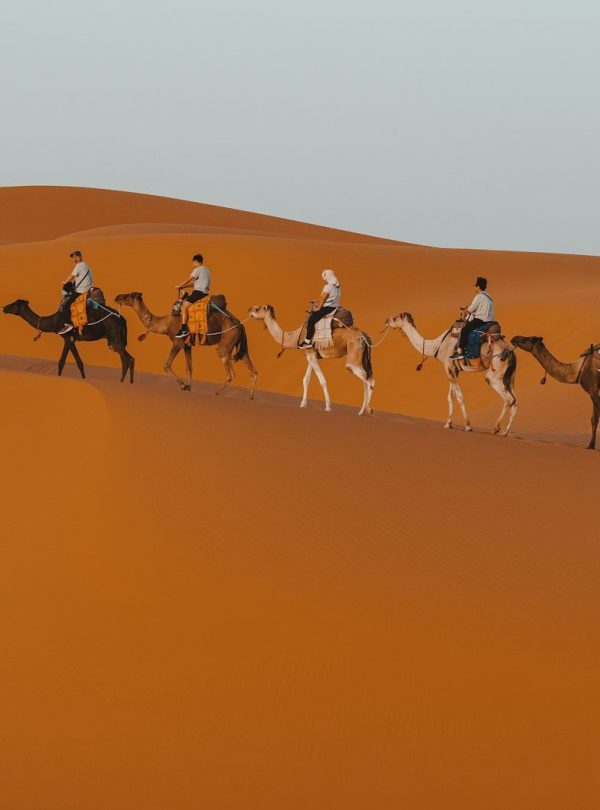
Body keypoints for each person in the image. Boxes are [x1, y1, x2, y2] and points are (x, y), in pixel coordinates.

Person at [450, 276, 495, 360]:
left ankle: (460, 352)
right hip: (490, 320)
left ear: (478, 287)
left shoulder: (479, 296)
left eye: (475, 285)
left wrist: (464, 311)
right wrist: (468, 309)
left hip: (482, 320)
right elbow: (479, 308)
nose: (474, 287)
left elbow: (470, 309)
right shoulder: (488, 296)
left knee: (464, 330)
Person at [298, 269, 341, 349]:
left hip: (328, 307)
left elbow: (323, 299)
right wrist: (317, 300)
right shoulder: (336, 286)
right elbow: (330, 297)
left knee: (311, 320)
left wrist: (318, 308)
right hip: (334, 306)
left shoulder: (328, 287)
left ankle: (307, 342)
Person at [174, 254, 212, 338]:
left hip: (198, 293)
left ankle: (184, 329)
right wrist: (183, 287)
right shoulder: (207, 271)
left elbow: (188, 280)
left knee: (183, 307)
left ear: (196, 261)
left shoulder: (197, 269)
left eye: (193, 262)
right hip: (205, 293)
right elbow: (195, 283)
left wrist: (179, 285)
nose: (193, 264)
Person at [58, 250, 95, 335]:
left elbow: (71, 276)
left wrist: (65, 282)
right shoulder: (86, 265)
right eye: (73, 258)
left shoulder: (79, 265)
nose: (74, 259)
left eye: (76, 257)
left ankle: (68, 324)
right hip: (88, 289)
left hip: (81, 291)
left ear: (80, 257)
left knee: (66, 305)